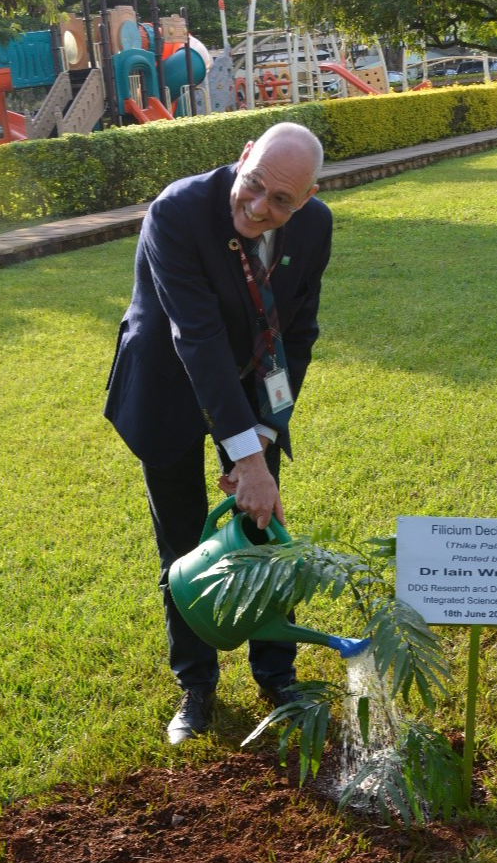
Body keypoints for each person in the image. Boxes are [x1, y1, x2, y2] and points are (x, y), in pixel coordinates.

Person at [103, 122, 332, 745]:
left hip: (252, 392)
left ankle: (276, 676)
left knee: (261, 533)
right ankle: (196, 684)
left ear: (307, 198)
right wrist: (247, 460)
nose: (259, 207)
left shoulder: (314, 227)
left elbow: (297, 335)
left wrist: (258, 435)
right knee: (182, 543)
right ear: (243, 157)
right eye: (253, 185)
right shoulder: (177, 212)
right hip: (167, 385)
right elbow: (195, 339)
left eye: (282, 200)